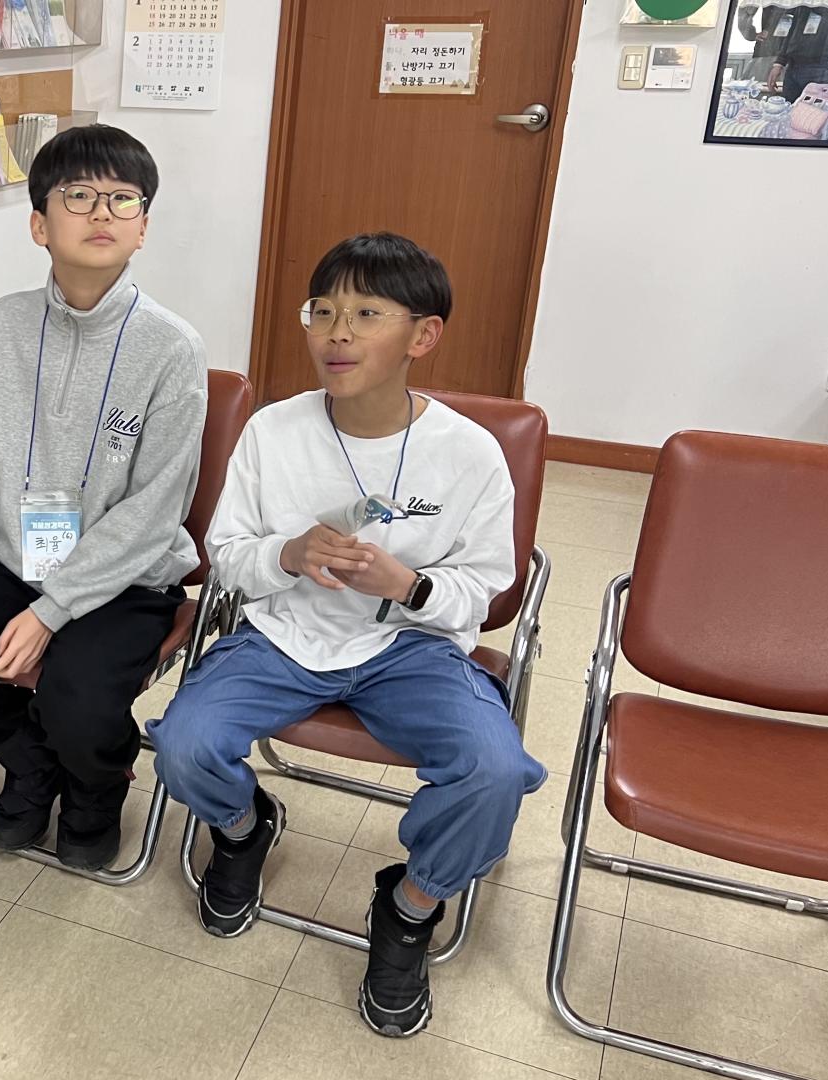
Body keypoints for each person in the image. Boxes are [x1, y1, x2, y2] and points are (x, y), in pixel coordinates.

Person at [147, 233, 545, 1038]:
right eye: (323, 311)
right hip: (286, 634)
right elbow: (227, 552)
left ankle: (409, 907)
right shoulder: (273, 431)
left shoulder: (469, 454)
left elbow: (487, 582)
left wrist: (409, 585)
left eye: (367, 315)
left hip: (411, 647)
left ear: (423, 335)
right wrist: (289, 555)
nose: (337, 333)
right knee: (184, 745)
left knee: (495, 772)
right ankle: (243, 829)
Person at [0, 124, 206, 872]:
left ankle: (95, 787)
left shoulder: (173, 349)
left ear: (143, 228)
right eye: (79, 196)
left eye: (123, 199)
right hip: (13, 561)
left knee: (79, 695)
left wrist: (52, 610)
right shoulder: (2, 326)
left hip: (125, 579)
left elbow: (154, 512)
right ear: (39, 224)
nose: (102, 213)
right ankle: (32, 763)